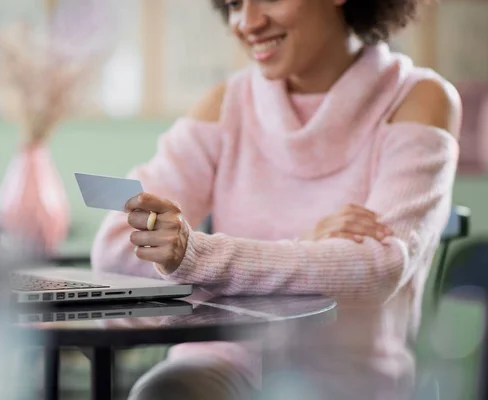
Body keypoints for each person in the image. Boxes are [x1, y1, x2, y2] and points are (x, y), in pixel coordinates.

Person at [91, 0, 462, 398]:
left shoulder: (418, 98)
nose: (247, 22)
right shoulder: (225, 105)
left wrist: (193, 259)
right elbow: (115, 248)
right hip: (218, 367)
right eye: (233, 4)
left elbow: (376, 269)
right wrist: (308, 248)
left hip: (346, 381)